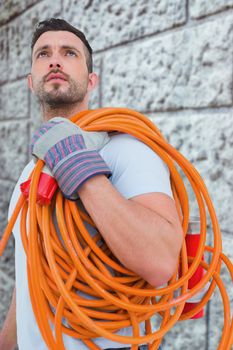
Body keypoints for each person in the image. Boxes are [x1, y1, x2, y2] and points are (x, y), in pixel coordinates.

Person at [0, 18, 183, 350]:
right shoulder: (31, 172)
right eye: (43, 54)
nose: (55, 60)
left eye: (69, 53)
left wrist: (78, 166)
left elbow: (160, 262)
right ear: (30, 81)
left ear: (92, 79)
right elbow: (31, 274)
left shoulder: (126, 150)